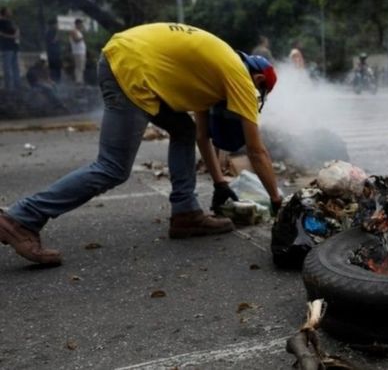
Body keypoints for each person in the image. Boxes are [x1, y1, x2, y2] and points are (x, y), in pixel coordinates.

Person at [0, 23, 281, 266]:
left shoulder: (220, 68)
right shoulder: (241, 78)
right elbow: (257, 151)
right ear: (257, 80)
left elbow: (199, 136)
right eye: (259, 92)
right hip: (130, 67)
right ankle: (21, 218)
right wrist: (278, 202)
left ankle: (186, 213)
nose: (255, 96)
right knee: (112, 167)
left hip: (128, 54)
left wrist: (220, 184)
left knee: (182, 129)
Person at [0, 7, 20, 90]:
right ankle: (9, 88)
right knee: (7, 68)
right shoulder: (1, 22)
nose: (11, 12)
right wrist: (12, 36)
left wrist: (17, 33)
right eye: (9, 11)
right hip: (6, 47)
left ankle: (17, 86)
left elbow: (17, 29)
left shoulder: (10, 21)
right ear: (4, 12)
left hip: (14, 47)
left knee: (15, 67)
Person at [69, 18, 86, 84]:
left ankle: (80, 80)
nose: (81, 25)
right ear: (77, 24)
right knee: (78, 66)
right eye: (81, 24)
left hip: (81, 51)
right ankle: (78, 80)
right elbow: (76, 40)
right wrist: (83, 37)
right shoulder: (73, 31)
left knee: (81, 67)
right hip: (77, 52)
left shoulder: (79, 31)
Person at [45, 18, 62, 83]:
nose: (57, 25)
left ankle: (58, 80)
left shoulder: (54, 31)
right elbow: (53, 41)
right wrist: (58, 33)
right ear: (52, 24)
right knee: (53, 68)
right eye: (56, 24)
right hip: (52, 53)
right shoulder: (49, 32)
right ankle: (54, 80)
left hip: (56, 53)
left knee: (58, 68)